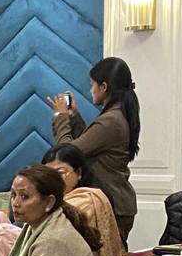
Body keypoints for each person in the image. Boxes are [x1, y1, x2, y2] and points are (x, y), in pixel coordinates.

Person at [48, 56, 140, 246]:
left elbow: (66, 154)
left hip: (112, 203)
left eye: (92, 85)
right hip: (116, 201)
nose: (91, 90)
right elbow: (90, 145)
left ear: (104, 87)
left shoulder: (111, 120)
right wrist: (74, 117)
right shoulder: (116, 115)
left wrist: (60, 117)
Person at [41, 144, 123, 256]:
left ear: (79, 173)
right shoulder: (53, 201)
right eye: (48, 174)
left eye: (60, 173)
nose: (53, 179)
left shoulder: (85, 201)